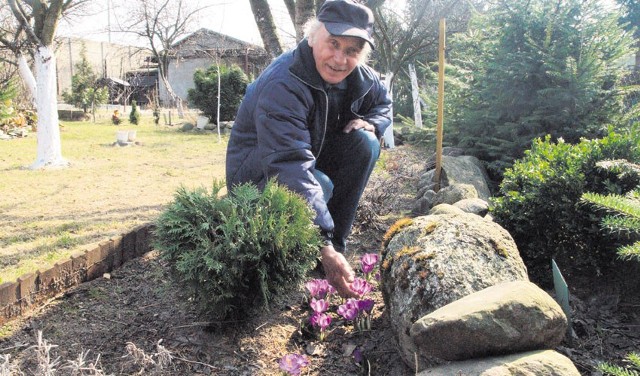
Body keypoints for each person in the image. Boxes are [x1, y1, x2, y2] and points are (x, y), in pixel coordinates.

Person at [226, 0, 392, 298]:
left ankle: (334, 251)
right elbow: (289, 165)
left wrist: (373, 123)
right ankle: (301, 262)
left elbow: (383, 102)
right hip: (259, 179)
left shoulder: (361, 78)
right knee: (321, 185)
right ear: (312, 36)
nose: (340, 59)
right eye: (333, 43)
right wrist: (321, 243)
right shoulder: (283, 82)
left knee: (365, 142)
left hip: (308, 163)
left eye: (352, 50)